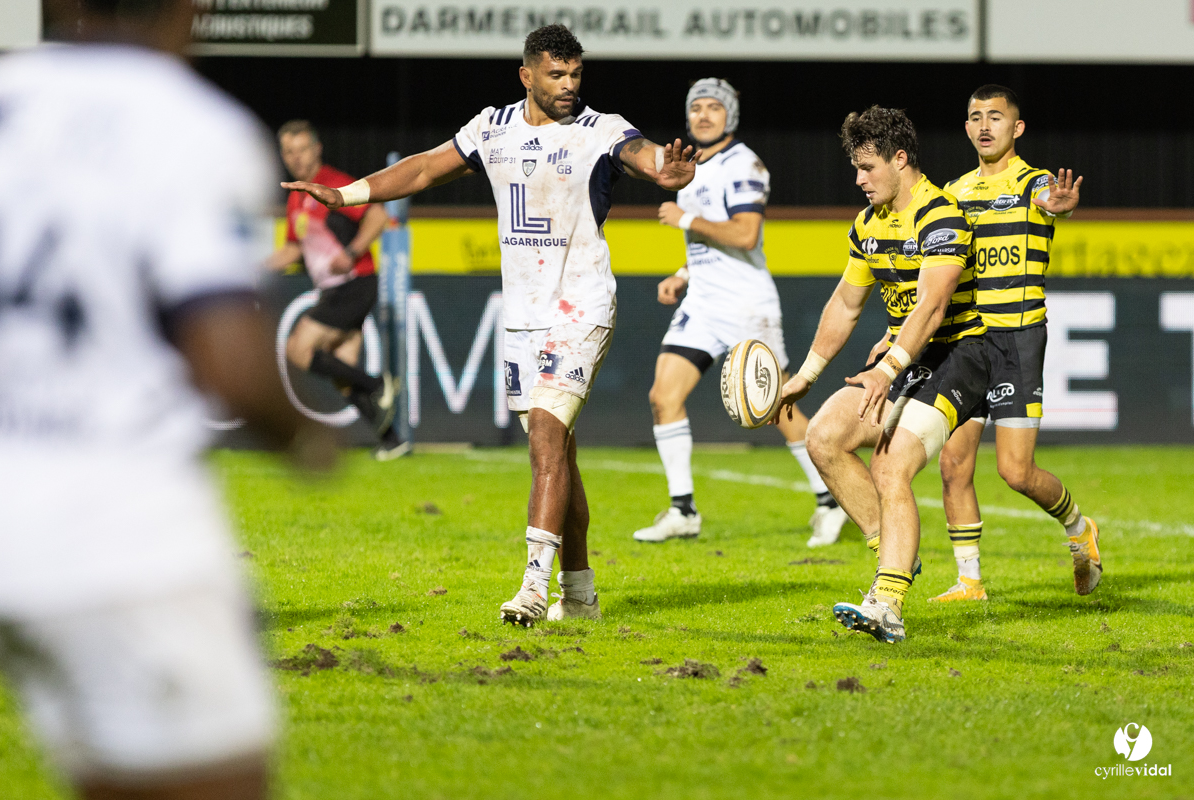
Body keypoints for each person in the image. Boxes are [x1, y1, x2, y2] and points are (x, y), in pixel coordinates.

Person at [0, 0, 336, 797]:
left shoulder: (5, 96)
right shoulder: (191, 127)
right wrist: (306, 439)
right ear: (194, 8)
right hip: (116, 531)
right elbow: (228, 361)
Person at [283, 24, 698, 626]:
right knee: (558, 455)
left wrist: (667, 167)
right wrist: (347, 196)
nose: (569, 86)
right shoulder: (492, 128)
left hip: (580, 306)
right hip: (523, 317)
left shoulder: (599, 129)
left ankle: (532, 589)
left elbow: (642, 154)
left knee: (547, 441)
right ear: (527, 75)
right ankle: (579, 596)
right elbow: (425, 169)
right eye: (556, 75)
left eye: (576, 75)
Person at [776, 106, 988, 643]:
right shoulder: (868, 225)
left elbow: (933, 308)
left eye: (868, 167)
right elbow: (846, 304)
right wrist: (807, 372)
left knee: (890, 466)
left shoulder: (940, 214)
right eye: (856, 167)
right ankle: (895, 552)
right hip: (904, 358)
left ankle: (888, 604)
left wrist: (887, 366)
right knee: (822, 437)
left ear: (901, 159)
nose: (858, 178)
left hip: (960, 355)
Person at [632, 78, 848, 547]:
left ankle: (832, 502)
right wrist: (683, 274)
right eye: (697, 108)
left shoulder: (743, 163)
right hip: (704, 302)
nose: (704, 116)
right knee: (662, 396)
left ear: (729, 116)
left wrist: (686, 219)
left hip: (746, 303)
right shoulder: (692, 167)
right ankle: (682, 510)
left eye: (714, 108)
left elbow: (745, 234)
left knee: (777, 409)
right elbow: (712, 243)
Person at [925, 85, 1099, 601]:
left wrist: (1061, 206)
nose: (984, 126)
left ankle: (1078, 527)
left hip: (1017, 340)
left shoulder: (1034, 183)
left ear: (1015, 128)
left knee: (1015, 472)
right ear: (966, 127)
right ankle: (969, 581)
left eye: (995, 117)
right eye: (976, 117)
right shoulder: (954, 193)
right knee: (952, 464)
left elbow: (1054, 201)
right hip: (966, 340)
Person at [267, 120, 405, 459]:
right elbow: (293, 249)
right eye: (289, 152)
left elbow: (377, 213)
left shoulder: (333, 184)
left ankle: (378, 385)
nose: (296, 158)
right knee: (343, 371)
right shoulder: (296, 198)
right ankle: (393, 440)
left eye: (302, 149)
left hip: (354, 283)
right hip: (336, 290)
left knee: (298, 349)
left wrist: (352, 252)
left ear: (317, 149)